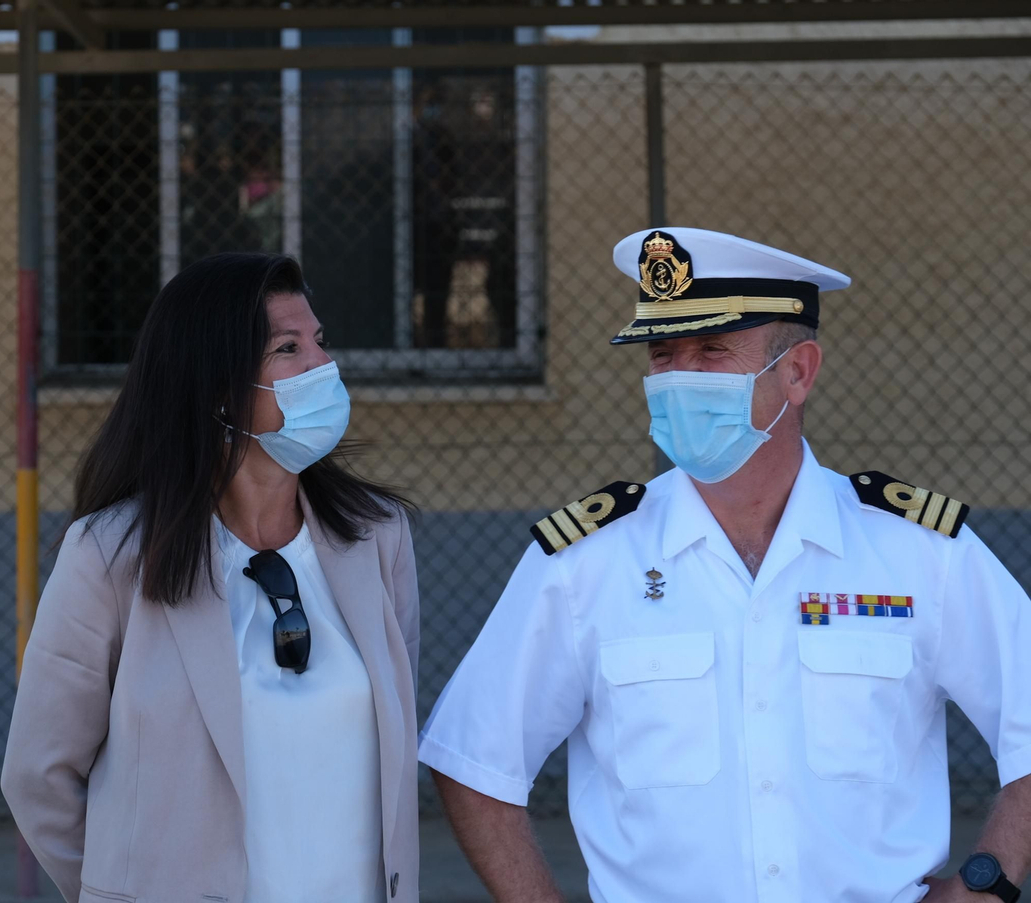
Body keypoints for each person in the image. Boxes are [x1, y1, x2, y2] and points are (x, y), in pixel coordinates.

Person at [420, 227, 1031, 903]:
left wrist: (989, 882)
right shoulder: (585, 562)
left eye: (712, 352)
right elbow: (473, 761)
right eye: (663, 356)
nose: (681, 379)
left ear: (799, 371)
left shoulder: (920, 553)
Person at [2, 252, 422, 903]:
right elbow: (39, 774)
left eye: (321, 341)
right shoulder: (109, 554)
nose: (323, 366)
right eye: (288, 348)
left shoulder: (377, 536)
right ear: (219, 388)